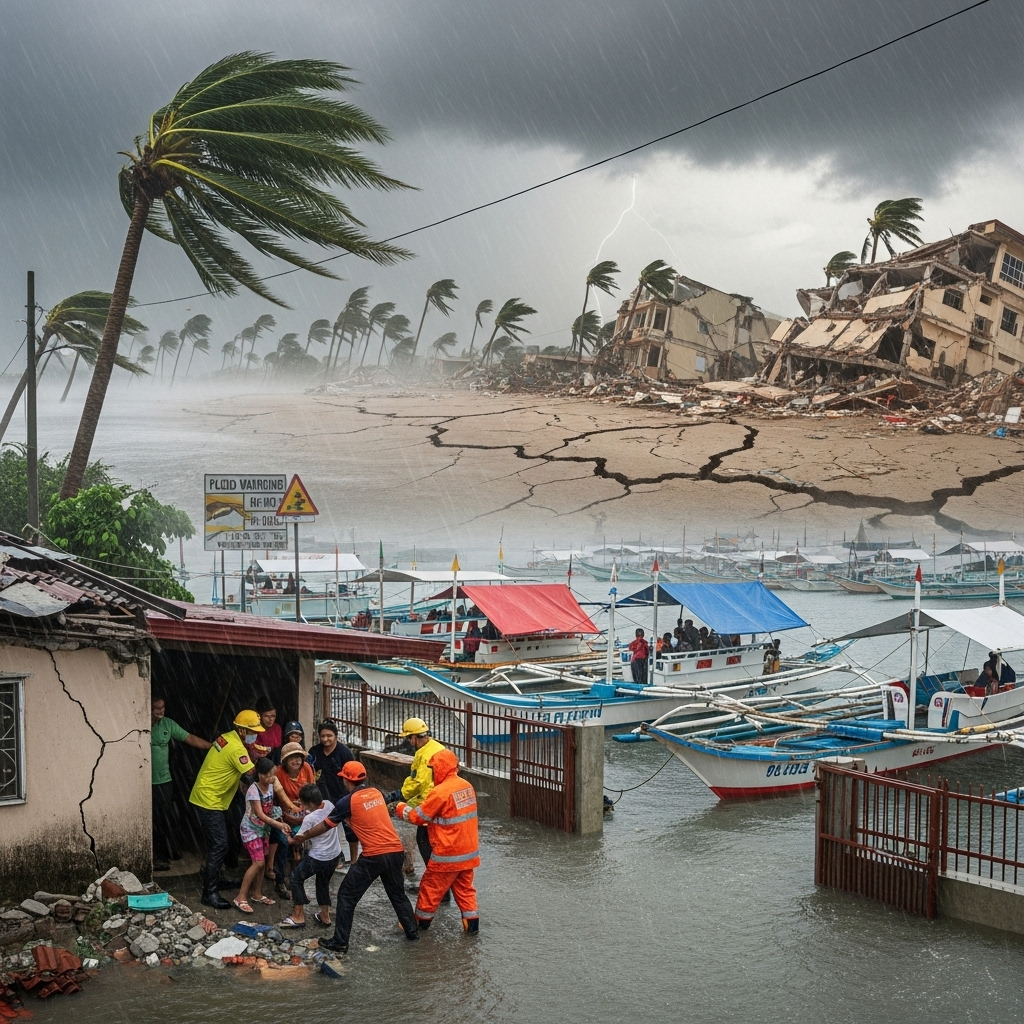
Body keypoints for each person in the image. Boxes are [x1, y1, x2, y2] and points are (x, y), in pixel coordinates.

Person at [298, 761, 419, 954]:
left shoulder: (347, 802)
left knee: (346, 895)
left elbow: (326, 825)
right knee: (397, 894)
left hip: (374, 856)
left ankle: (340, 942)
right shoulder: (376, 793)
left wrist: (303, 836)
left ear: (347, 780)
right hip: (395, 851)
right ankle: (413, 933)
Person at [397, 749, 480, 934]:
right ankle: (472, 928)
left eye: (433, 769)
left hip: (447, 854)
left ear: (441, 768)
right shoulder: (466, 786)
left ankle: (419, 925)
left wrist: (400, 807)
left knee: (430, 888)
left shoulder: (441, 792)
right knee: (465, 891)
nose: (433, 773)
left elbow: (418, 817)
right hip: (468, 853)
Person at [189, 709, 262, 909]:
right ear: (241, 730)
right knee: (219, 845)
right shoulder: (237, 749)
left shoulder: (225, 738)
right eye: (252, 731)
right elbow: (252, 774)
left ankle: (216, 879)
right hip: (209, 800)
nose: (255, 734)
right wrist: (262, 760)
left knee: (223, 840)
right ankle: (209, 893)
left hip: (211, 797)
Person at [150, 697, 210, 872]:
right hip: (144, 782)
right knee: (151, 820)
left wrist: (210, 746)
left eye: (163, 707)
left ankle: (165, 852)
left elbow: (189, 737)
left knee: (164, 819)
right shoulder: (138, 724)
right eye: (156, 708)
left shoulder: (168, 724)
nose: (161, 711)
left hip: (164, 781)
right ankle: (156, 856)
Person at [384, 718, 445, 869]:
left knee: (425, 843)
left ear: (414, 737)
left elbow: (419, 783)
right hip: (442, 802)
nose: (408, 742)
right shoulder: (437, 747)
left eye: (408, 738)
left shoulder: (424, 755)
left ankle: (434, 883)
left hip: (430, 807)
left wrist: (399, 796)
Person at [280, 784, 340, 929]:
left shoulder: (310, 818)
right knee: (322, 882)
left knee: (296, 877)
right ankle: (324, 915)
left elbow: (299, 839)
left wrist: (287, 837)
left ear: (309, 803)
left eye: (303, 803)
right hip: (334, 855)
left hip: (318, 857)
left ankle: (298, 915)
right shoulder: (329, 805)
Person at [235, 757, 290, 913]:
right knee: (258, 863)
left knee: (263, 862)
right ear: (259, 774)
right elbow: (259, 814)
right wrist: (279, 824)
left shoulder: (271, 786)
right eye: (268, 775)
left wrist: (279, 816)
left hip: (263, 830)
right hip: (250, 830)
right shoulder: (253, 790)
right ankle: (240, 897)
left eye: (273, 775)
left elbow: (269, 808)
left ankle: (257, 893)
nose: (271, 778)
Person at [268, 741, 317, 897]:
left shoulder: (307, 769)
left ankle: (296, 881)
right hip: (282, 816)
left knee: (300, 849)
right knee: (284, 846)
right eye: (292, 759)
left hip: (304, 815)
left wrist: (306, 808)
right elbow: (276, 798)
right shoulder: (279, 773)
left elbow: (313, 791)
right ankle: (280, 881)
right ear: (285, 761)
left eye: (299, 758)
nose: (296, 761)